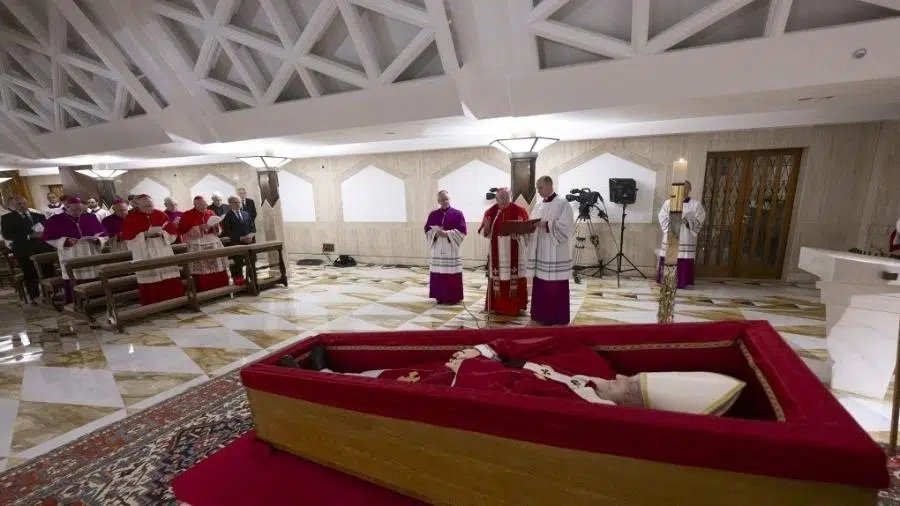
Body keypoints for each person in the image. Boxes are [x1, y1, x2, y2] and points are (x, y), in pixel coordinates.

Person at [278, 335, 744, 416]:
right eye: (628, 375)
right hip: (472, 368)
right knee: (407, 371)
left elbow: (508, 400)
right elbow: (533, 347)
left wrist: (472, 366)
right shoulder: (596, 366)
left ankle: (314, 382)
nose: (617, 379)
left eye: (626, 387)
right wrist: (482, 349)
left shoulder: (588, 410)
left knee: (401, 384)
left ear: (632, 404)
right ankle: (327, 369)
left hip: (461, 391)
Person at [527, 176, 574, 326]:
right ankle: (540, 315)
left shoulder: (562, 203)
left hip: (556, 252)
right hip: (541, 250)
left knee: (556, 285)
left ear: (549, 185)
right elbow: (532, 223)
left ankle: (556, 317)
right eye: (537, 188)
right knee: (541, 284)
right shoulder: (538, 205)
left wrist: (546, 225)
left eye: (540, 187)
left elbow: (566, 227)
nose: (538, 191)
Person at [121, 194, 184, 305]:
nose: (149, 208)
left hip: (162, 247)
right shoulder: (131, 218)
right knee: (150, 275)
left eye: (150, 205)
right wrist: (144, 234)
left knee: (167, 271)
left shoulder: (160, 214)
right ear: (138, 205)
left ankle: (175, 300)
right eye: (145, 206)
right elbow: (129, 239)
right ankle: (154, 303)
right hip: (145, 250)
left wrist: (162, 233)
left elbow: (172, 232)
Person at [42, 197, 107, 302]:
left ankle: (98, 300)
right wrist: (65, 241)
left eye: (80, 210)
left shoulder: (90, 217)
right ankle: (77, 302)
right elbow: (48, 238)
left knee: (94, 275)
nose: (78, 212)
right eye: (74, 210)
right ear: (66, 208)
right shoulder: (56, 220)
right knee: (74, 277)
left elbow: (103, 234)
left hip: (90, 251)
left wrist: (98, 240)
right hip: (71, 253)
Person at [479, 188, 530, 316]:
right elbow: (484, 232)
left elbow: (528, 231)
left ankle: (515, 307)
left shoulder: (519, 211)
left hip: (514, 251)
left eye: (507, 197)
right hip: (497, 251)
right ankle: (497, 306)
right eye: (502, 198)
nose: (505, 200)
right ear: (496, 199)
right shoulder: (491, 212)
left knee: (514, 276)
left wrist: (519, 233)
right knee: (498, 275)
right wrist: (486, 228)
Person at [0, 195, 55, 304]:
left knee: (48, 270)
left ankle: (51, 294)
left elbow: (48, 229)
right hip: (24, 250)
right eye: (18, 204)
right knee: (30, 274)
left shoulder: (38, 215)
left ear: (27, 203)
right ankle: (34, 296)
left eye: (23, 203)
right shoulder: (7, 218)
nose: (22, 206)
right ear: (13, 206)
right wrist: (29, 236)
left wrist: (44, 233)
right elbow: (7, 235)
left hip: (42, 248)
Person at [656, 181, 706, 289]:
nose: (684, 190)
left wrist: (688, 221)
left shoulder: (696, 204)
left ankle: (682, 282)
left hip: (685, 235)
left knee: (683, 258)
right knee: (669, 256)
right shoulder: (669, 203)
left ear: (690, 189)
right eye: (682, 188)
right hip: (671, 233)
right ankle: (667, 280)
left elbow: (700, 218)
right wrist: (672, 221)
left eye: (686, 188)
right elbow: (662, 216)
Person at [424, 190, 467, 305]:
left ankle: (453, 297)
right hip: (438, 248)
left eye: (446, 199)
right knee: (439, 272)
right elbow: (427, 229)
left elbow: (462, 231)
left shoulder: (458, 214)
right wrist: (434, 233)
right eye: (442, 200)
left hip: (450, 248)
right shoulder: (433, 214)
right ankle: (439, 295)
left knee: (451, 273)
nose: (444, 202)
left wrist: (447, 234)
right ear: (438, 201)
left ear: (449, 199)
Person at [179, 196, 229, 292]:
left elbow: (219, 229)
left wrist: (216, 226)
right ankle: (204, 290)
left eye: (205, 204)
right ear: (195, 205)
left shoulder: (210, 213)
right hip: (197, 243)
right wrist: (199, 228)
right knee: (201, 268)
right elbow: (183, 230)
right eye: (201, 205)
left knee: (218, 265)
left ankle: (221, 288)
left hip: (213, 241)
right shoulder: (188, 214)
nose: (204, 207)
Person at [221, 195, 255, 285]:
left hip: (248, 243)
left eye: (239, 202)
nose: (238, 204)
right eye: (235, 202)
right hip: (235, 244)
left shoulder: (246, 214)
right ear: (230, 204)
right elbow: (228, 232)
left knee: (251, 263)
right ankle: (239, 284)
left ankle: (253, 280)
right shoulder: (227, 216)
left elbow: (252, 227)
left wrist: (250, 236)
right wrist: (241, 238)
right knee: (238, 265)